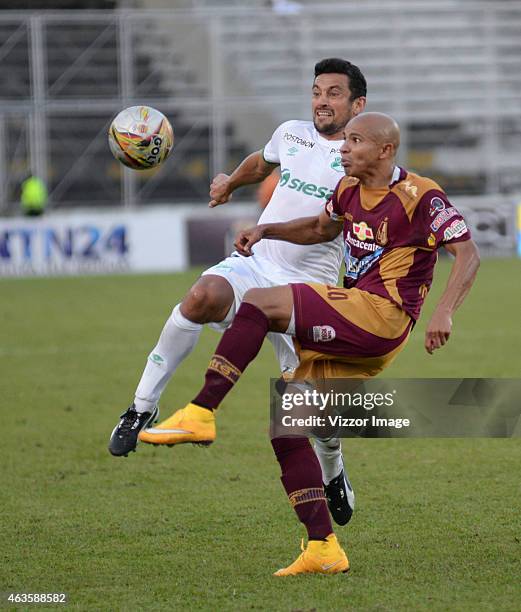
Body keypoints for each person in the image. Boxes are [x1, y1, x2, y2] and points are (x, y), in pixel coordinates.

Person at [138, 112, 480, 575]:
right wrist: (264, 230)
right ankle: (323, 548)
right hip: (360, 317)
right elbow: (320, 229)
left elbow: (467, 252)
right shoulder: (346, 190)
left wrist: (445, 310)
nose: (343, 147)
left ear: (384, 150)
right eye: (345, 140)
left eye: (355, 140)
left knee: (261, 303)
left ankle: (201, 411)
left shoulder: (420, 195)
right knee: (287, 427)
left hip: (383, 315)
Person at [109, 58, 367, 525]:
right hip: (258, 264)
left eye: (333, 93)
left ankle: (334, 470)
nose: (321, 101)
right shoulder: (291, 132)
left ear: (357, 104)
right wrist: (231, 180)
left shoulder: (358, 159)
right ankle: (141, 408)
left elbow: (322, 229)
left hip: (309, 288)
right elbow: (262, 161)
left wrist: (266, 229)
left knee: (309, 411)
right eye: (316, 91)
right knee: (201, 297)